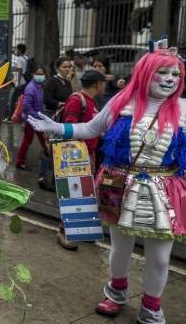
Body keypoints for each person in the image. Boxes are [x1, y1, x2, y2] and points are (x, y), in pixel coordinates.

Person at [28, 41, 186, 324]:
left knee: (161, 257)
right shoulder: (122, 102)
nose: (170, 80)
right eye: (163, 73)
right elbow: (91, 128)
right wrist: (58, 128)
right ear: (146, 73)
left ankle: (151, 306)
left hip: (165, 190)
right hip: (119, 185)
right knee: (120, 249)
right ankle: (116, 292)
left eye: (175, 75)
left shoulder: (183, 111)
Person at [56, 69, 106, 250]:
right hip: (75, 155)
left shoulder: (92, 102)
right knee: (73, 194)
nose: (105, 87)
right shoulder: (77, 100)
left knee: (86, 195)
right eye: (103, 83)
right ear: (97, 84)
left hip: (89, 153)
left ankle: (82, 231)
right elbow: (69, 127)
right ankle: (63, 232)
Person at [15, 67, 47, 170]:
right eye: (38, 74)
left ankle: (20, 161)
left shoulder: (39, 86)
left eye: (42, 74)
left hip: (36, 119)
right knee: (35, 140)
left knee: (40, 140)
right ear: (34, 74)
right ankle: (20, 162)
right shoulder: (31, 88)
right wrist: (39, 117)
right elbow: (26, 106)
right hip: (32, 120)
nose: (40, 76)